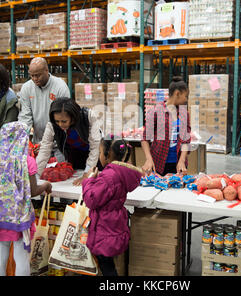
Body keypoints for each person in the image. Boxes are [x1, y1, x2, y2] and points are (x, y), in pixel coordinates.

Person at [0, 121, 52, 276]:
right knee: (21, 257)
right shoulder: (27, 161)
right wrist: (46, 186)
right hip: (19, 217)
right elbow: (32, 190)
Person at [82, 138, 143, 276]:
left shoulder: (108, 176)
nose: (99, 155)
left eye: (100, 152)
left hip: (104, 227)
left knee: (106, 266)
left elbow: (91, 200)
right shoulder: (121, 173)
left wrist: (89, 180)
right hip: (114, 225)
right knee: (106, 263)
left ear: (108, 155)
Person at [36, 97, 103, 185]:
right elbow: (45, 149)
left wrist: (87, 173)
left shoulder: (88, 117)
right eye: (57, 121)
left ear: (73, 117)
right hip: (74, 156)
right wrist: (36, 175)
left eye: (64, 121)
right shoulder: (52, 125)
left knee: (92, 184)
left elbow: (95, 146)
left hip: (96, 156)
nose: (60, 125)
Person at [141, 77, 191, 176]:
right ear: (177, 93)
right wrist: (148, 159)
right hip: (158, 163)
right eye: (185, 96)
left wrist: (182, 160)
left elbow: (186, 140)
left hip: (178, 164)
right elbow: (145, 139)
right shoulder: (155, 111)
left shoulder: (184, 113)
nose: (186, 99)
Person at [18, 57, 70, 147]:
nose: (34, 79)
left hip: (58, 142)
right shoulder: (27, 88)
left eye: (38, 75)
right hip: (37, 141)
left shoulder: (60, 87)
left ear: (46, 70)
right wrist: (25, 140)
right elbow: (25, 116)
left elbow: (62, 118)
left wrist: (47, 143)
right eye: (32, 75)